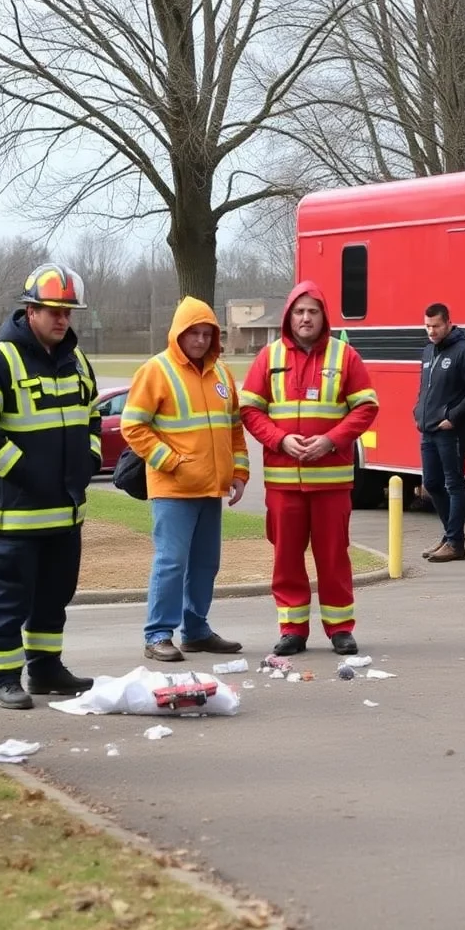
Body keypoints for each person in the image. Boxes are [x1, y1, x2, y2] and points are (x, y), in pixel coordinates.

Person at [0, 263, 101, 709]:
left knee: (55, 596)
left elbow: (93, 416)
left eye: (67, 312)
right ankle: (2, 675)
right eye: (52, 311)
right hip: (18, 511)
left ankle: (45, 668)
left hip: (66, 511)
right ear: (30, 310)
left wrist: (91, 458)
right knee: (11, 598)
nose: (62, 319)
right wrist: (24, 471)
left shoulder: (77, 360)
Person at [240, 281, 378, 656]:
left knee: (334, 557)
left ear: (323, 317)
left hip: (332, 482)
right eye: (299, 311)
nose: (305, 318)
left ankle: (340, 629)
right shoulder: (268, 357)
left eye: (312, 311)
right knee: (286, 559)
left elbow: (367, 406)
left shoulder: (344, 356)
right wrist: (280, 440)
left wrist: (331, 439)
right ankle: (292, 629)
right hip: (284, 482)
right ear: (289, 316)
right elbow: (250, 410)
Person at [120, 297, 249, 662]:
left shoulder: (222, 374)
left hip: (211, 488)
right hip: (173, 489)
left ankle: (196, 631)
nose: (201, 340)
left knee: (206, 563)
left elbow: (234, 430)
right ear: (179, 333)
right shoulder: (156, 371)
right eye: (194, 332)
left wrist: (239, 472)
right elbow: (133, 425)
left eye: (208, 333)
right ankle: (158, 634)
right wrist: (171, 462)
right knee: (171, 562)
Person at [414, 303, 465, 562]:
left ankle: (456, 543)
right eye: (427, 326)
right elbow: (425, 388)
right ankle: (449, 536)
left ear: (448, 323)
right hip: (428, 430)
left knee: (453, 484)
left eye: (435, 326)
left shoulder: (464, 352)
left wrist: (452, 416)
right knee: (431, 484)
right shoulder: (428, 351)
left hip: (450, 431)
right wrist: (418, 410)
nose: (431, 331)